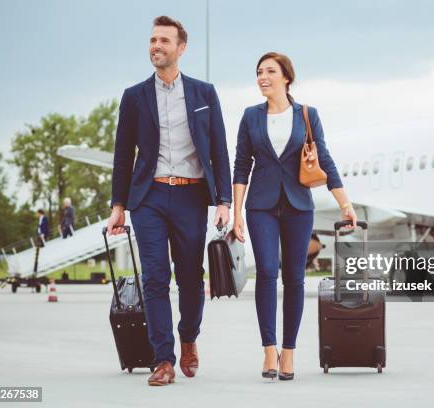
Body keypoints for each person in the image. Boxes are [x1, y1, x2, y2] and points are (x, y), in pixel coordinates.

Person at [106, 16, 231, 386]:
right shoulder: (134, 96)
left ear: (181, 48)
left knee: (191, 278)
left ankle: (188, 336)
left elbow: (219, 150)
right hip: (150, 196)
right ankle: (163, 359)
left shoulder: (204, 94)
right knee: (156, 277)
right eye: (152, 40)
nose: (156, 46)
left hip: (192, 195)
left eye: (163, 40)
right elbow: (122, 153)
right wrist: (118, 205)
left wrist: (223, 199)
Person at [232, 52, 357, 381]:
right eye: (259, 71)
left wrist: (345, 203)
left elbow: (324, 160)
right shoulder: (250, 117)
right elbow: (241, 166)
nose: (263, 76)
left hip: (299, 205)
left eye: (270, 71)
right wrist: (236, 214)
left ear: (286, 77)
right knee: (267, 273)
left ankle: (289, 353)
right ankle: (269, 350)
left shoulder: (306, 115)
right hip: (260, 205)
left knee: (295, 279)